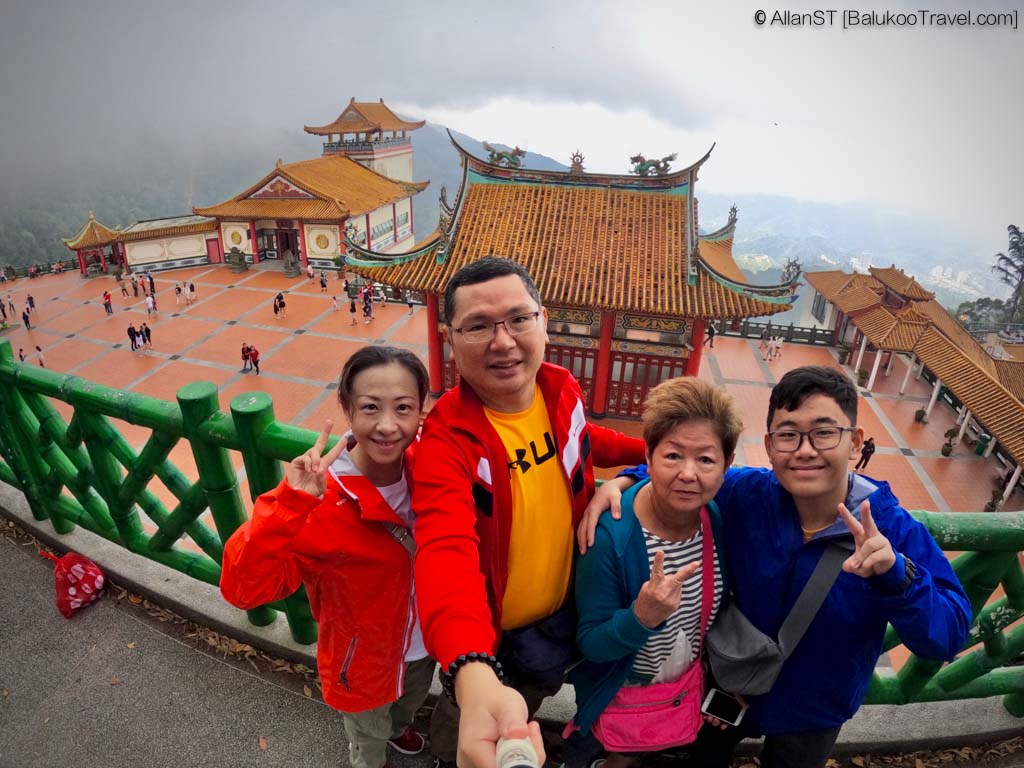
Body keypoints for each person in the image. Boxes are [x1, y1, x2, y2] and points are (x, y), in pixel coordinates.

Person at [582, 365, 971, 768]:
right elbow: (687, 473)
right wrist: (624, 482)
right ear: (769, 446)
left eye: (824, 432)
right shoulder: (748, 494)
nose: (804, 450)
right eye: (788, 435)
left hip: (813, 713)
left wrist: (898, 577)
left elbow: (948, 635)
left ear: (854, 443)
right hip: (728, 689)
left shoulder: (892, 530)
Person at [411, 257, 647, 768]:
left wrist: (650, 457)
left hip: (564, 615)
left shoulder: (560, 389)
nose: (503, 341)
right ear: (451, 338)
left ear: (544, 319)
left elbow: (588, 442)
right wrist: (473, 673)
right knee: (467, 730)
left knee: (533, 698)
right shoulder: (446, 442)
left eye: (518, 318)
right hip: (489, 639)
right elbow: (444, 554)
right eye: (478, 325)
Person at [220, 346, 435, 768]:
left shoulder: (432, 470)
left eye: (404, 408)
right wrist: (290, 503)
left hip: (424, 646)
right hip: (362, 661)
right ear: (346, 408)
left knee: (409, 702)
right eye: (371, 407)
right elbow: (242, 589)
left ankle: (398, 728)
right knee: (367, 735)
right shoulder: (319, 501)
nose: (388, 426)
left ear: (421, 412)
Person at [566, 377, 741, 768]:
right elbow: (591, 643)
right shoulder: (612, 535)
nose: (688, 474)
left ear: (726, 466)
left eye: (706, 459)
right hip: (618, 700)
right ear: (648, 456)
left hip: (681, 697)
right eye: (673, 456)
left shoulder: (715, 518)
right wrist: (640, 618)